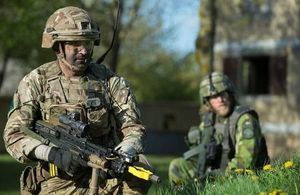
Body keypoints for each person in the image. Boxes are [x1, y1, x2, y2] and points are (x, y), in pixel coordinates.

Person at [3, 6, 151, 194]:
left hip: (106, 175)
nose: (83, 51)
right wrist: (51, 153)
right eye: (75, 44)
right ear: (58, 46)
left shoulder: (110, 81)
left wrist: (123, 153)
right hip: (59, 180)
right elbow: (13, 135)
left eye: (88, 43)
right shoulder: (36, 81)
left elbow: (133, 128)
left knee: (142, 169)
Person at [168, 72, 269, 185]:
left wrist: (210, 178)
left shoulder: (245, 119)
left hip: (250, 176)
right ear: (207, 101)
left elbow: (244, 163)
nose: (220, 100)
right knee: (177, 166)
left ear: (230, 94)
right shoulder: (209, 121)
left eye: (223, 94)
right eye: (214, 97)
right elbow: (200, 154)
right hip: (218, 171)